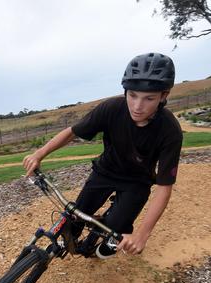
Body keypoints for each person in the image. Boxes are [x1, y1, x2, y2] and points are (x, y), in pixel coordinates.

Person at [23, 52, 182, 259]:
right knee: (75, 218)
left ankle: (108, 234)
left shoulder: (170, 130)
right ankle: (74, 236)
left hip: (137, 182)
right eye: (132, 95)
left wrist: (143, 235)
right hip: (106, 172)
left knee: (115, 229)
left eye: (148, 98)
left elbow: (164, 188)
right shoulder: (112, 108)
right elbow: (73, 131)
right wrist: (39, 153)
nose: (137, 106)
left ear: (164, 95)